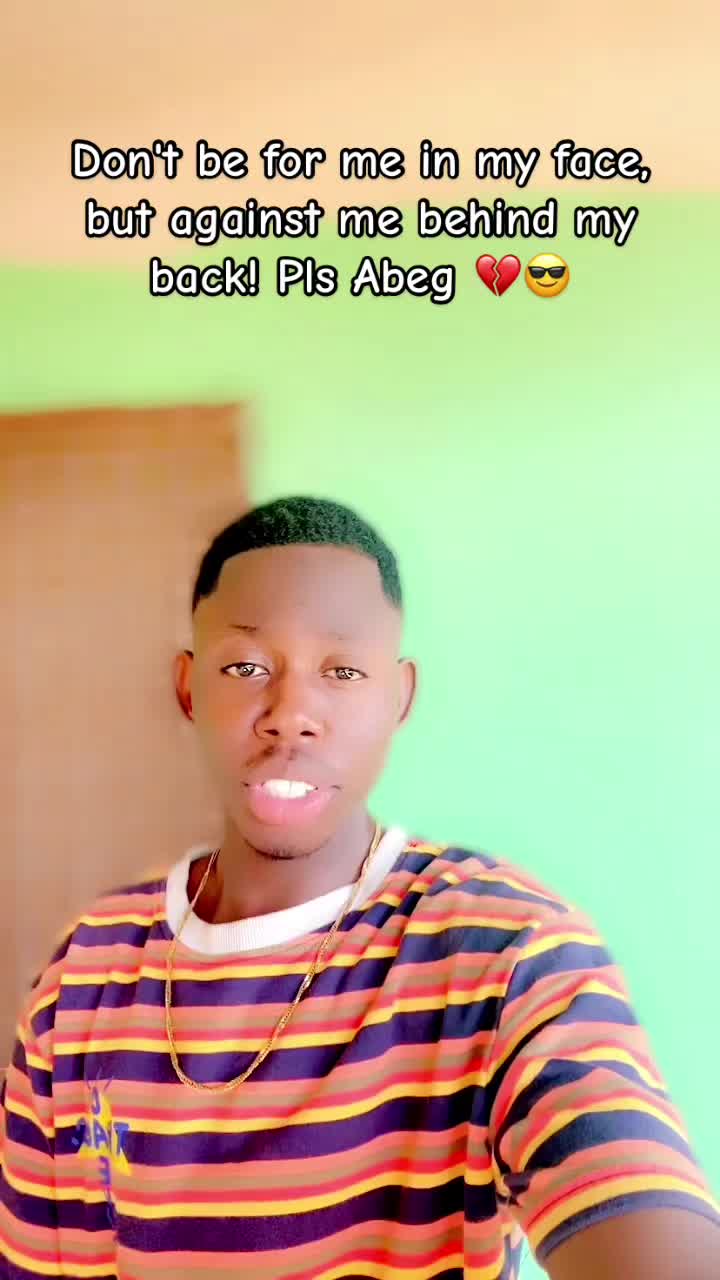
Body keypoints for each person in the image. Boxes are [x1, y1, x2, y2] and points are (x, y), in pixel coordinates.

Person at [1, 495, 718, 1280]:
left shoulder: (508, 954)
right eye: (245, 667)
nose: (291, 715)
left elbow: (638, 1209)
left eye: (341, 671)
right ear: (188, 688)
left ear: (399, 698)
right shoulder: (84, 978)